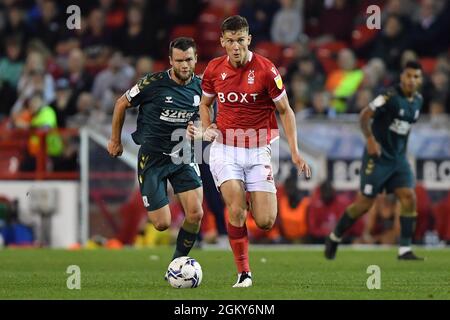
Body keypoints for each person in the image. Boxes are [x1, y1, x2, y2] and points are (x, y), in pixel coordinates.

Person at [190, 15, 311, 287]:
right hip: (225, 149)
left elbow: (286, 111)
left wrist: (294, 151)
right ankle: (244, 273)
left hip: (258, 150)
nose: (235, 47)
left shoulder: (267, 70)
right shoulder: (213, 70)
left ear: (249, 40)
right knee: (235, 210)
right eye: (230, 41)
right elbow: (205, 105)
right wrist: (208, 128)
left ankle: (247, 201)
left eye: (241, 41)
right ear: (222, 41)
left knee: (266, 221)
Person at [107, 37, 204, 278]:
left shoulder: (202, 86)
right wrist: (115, 140)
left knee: (196, 213)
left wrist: (200, 127)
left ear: (195, 59)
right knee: (161, 224)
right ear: (171, 61)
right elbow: (121, 103)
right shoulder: (152, 83)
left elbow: (208, 115)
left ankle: (177, 265)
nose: (184, 65)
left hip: (183, 154)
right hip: (152, 158)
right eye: (179, 60)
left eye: (189, 60)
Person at [324, 61, 425, 261]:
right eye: (408, 76)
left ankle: (404, 249)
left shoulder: (418, 101)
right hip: (377, 158)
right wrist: (370, 139)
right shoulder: (389, 97)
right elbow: (364, 115)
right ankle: (334, 236)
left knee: (408, 197)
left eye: (416, 77)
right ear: (402, 77)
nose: (412, 80)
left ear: (420, 80)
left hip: (398, 159)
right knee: (364, 205)